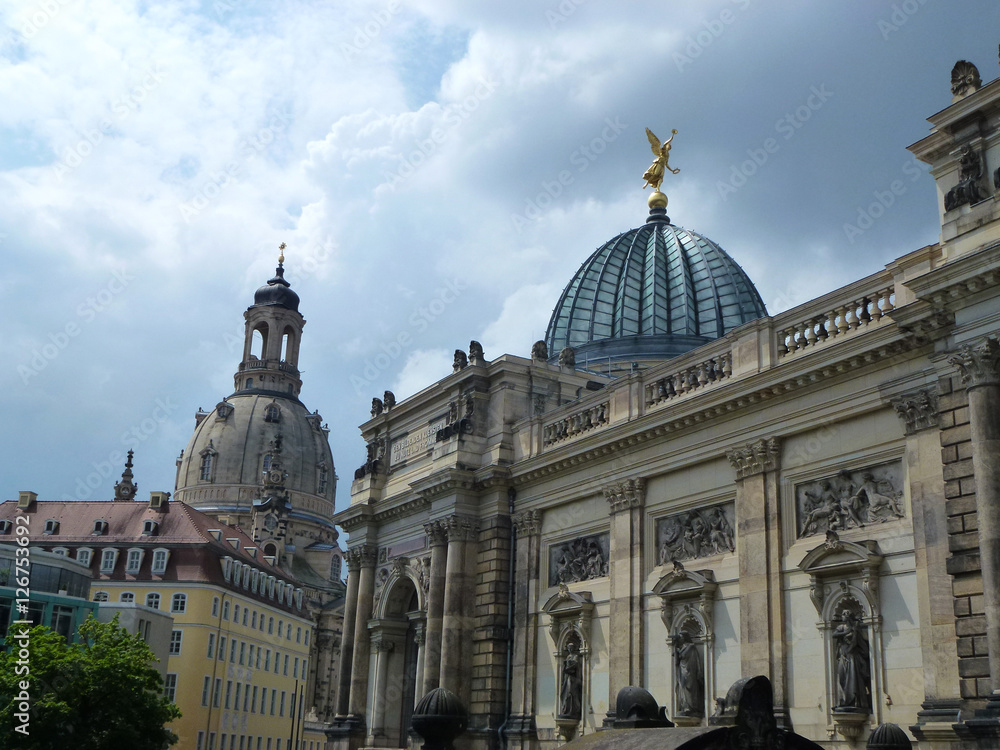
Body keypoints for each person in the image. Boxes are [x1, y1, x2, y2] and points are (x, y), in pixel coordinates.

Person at [832, 609, 872, 711]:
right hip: (843, 657)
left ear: (850, 616)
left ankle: (854, 702)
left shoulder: (855, 629)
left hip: (852, 657)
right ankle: (843, 701)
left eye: (846, 614)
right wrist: (846, 632)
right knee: (842, 679)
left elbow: (861, 645)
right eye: (843, 613)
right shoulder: (841, 627)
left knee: (853, 680)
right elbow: (834, 635)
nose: (843, 615)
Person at [674, 631, 704, 717]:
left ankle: (692, 708)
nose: (680, 638)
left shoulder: (691, 647)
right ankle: (685, 707)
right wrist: (675, 647)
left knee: (689, 688)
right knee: (682, 688)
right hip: (682, 671)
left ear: (685, 637)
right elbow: (677, 662)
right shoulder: (682, 647)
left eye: (681, 637)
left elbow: (694, 660)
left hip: (690, 672)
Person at [559, 641, 582, 719]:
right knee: (564, 693)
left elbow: (575, 665)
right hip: (567, 677)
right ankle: (566, 709)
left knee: (570, 693)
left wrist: (568, 667)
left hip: (572, 678)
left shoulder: (575, 656)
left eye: (571, 648)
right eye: (569, 648)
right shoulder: (568, 656)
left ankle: (573, 710)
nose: (570, 649)